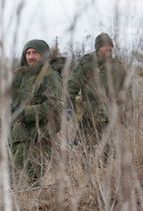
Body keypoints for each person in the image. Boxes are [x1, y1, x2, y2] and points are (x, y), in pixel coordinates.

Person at [9, 39, 63, 188]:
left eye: (35, 53)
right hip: (16, 137)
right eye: (28, 53)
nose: (31, 57)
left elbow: (54, 106)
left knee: (28, 181)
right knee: (12, 180)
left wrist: (24, 112)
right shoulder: (22, 76)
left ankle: (32, 209)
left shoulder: (50, 76)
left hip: (38, 137)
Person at [68, 33, 128, 148]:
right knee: (86, 147)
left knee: (108, 149)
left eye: (110, 45)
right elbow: (72, 84)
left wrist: (126, 110)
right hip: (89, 115)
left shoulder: (118, 65)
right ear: (97, 48)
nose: (108, 48)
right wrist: (68, 105)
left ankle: (105, 165)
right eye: (104, 45)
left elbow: (127, 88)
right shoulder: (86, 63)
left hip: (111, 115)